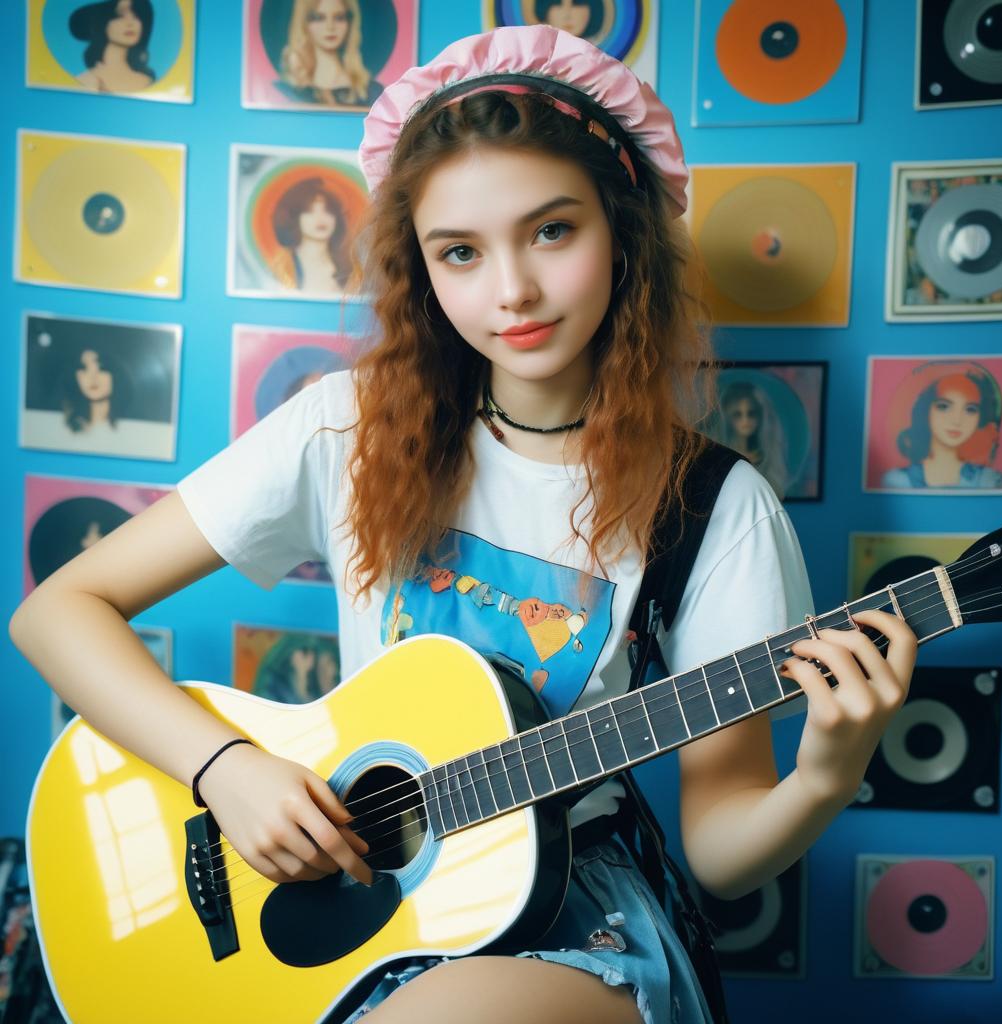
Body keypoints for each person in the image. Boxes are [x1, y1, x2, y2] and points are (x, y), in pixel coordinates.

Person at [10, 25, 918, 1024]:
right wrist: (225, 769)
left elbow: (719, 849)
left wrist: (826, 772)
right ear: (422, 270)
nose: (511, 291)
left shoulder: (713, 507)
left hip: (571, 911)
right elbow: (58, 613)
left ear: (622, 231)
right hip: (361, 890)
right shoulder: (345, 427)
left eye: (552, 231)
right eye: (459, 252)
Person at [881, 364, 1002, 489]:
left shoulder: (990, 481)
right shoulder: (896, 481)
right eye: (943, 406)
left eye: (970, 409)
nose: (957, 420)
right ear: (925, 410)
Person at [276, 0, 384, 109]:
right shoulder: (284, 90)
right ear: (304, 24)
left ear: (350, 23)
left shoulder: (372, 91)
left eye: (339, 18)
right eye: (319, 18)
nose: (330, 27)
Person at [269, 177, 354, 294]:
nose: (320, 218)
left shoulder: (348, 265)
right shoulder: (283, 264)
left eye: (328, 210)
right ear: (295, 218)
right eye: (309, 211)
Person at [711, 379, 789, 500]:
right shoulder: (719, 456)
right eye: (738, 414)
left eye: (751, 413)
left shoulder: (770, 458)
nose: (745, 420)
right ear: (728, 418)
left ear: (760, 416)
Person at [70, 0, 157, 94]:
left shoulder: (147, 81)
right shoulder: (87, 79)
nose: (130, 23)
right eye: (119, 16)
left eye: (137, 16)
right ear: (101, 22)